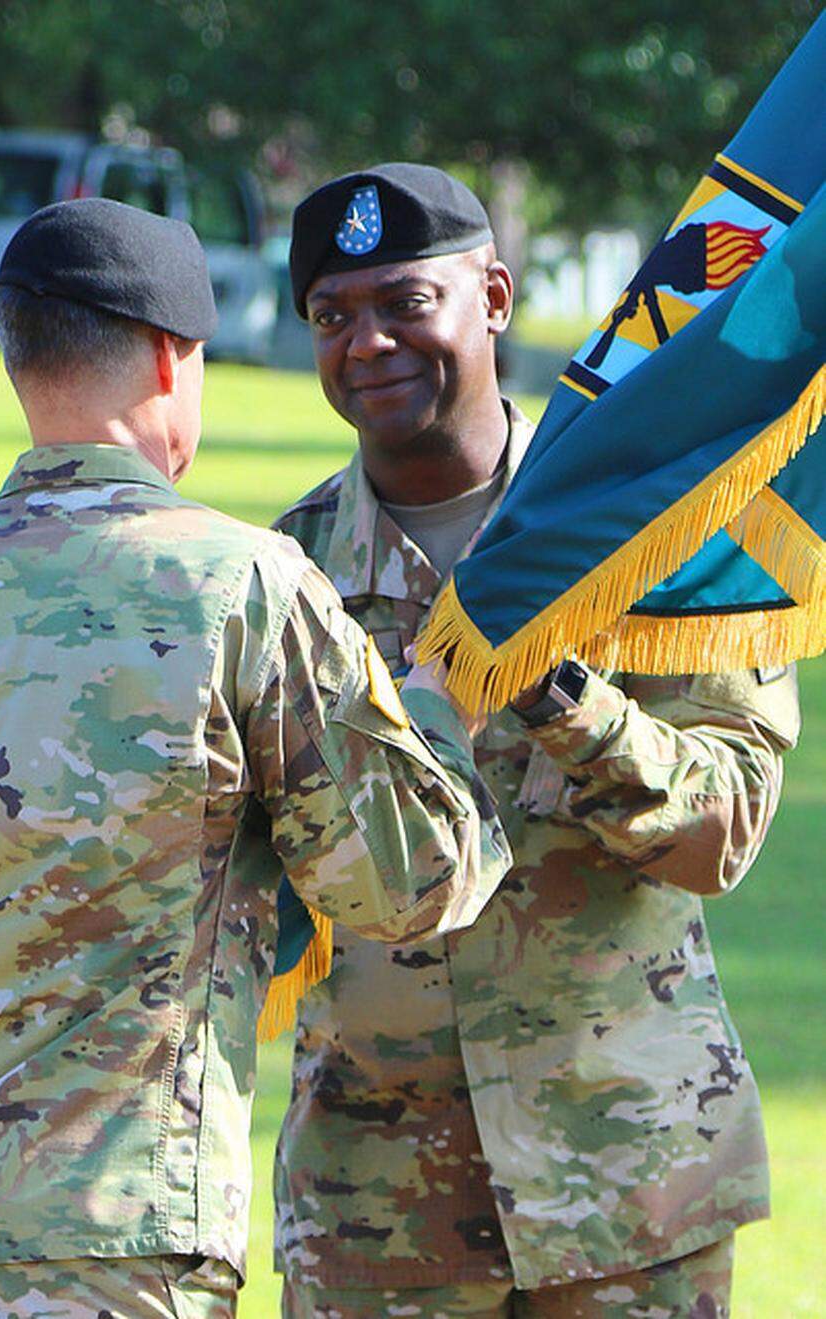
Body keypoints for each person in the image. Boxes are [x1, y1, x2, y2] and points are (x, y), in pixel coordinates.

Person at [0, 197, 511, 1319]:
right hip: (119, 1239)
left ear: (20, 361)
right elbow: (407, 881)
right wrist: (438, 710)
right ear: (173, 358)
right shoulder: (242, 589)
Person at [272, 163, 801, 1318]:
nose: (368, 343)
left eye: (405, 302)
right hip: (378, 1214)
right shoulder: (281, 580)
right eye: (333, 315)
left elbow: (725, 830)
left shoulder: (653, 529)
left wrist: (554, 686)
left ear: (495, 296)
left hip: (629, 1185)